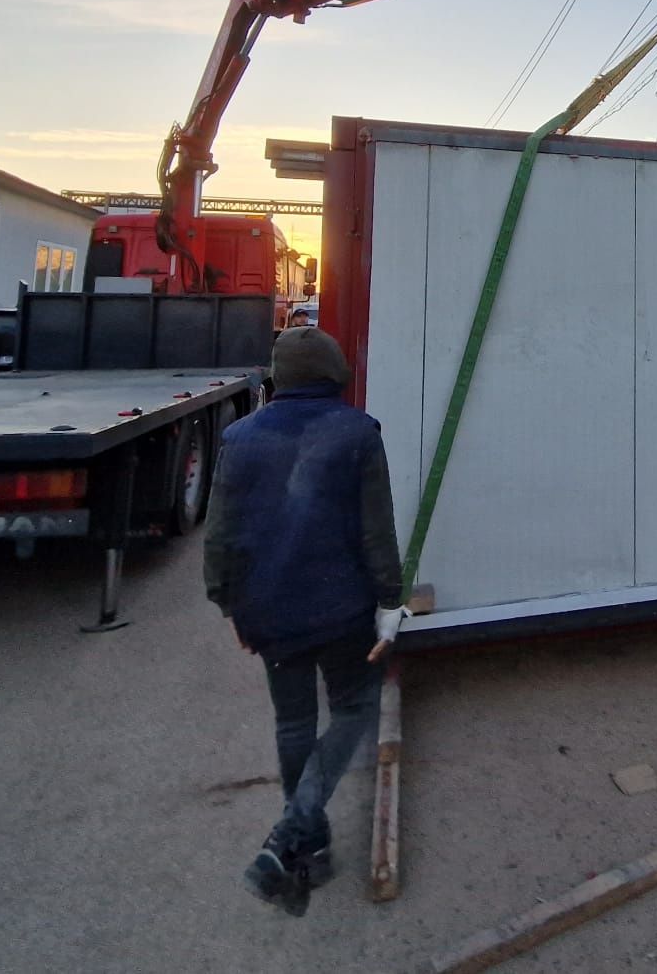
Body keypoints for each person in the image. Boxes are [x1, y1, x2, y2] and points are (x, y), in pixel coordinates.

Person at [204, 326, 407, 915]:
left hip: (271, 613)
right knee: (355, 709)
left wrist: (229, 604)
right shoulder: (357, 433)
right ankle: (292, 829)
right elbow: (377, 531)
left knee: (293, 723)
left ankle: (310, 848)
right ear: (334, 374)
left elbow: (221, 535)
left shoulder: (240, 439)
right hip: (343, 611)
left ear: (280, 377)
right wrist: (389, 603)